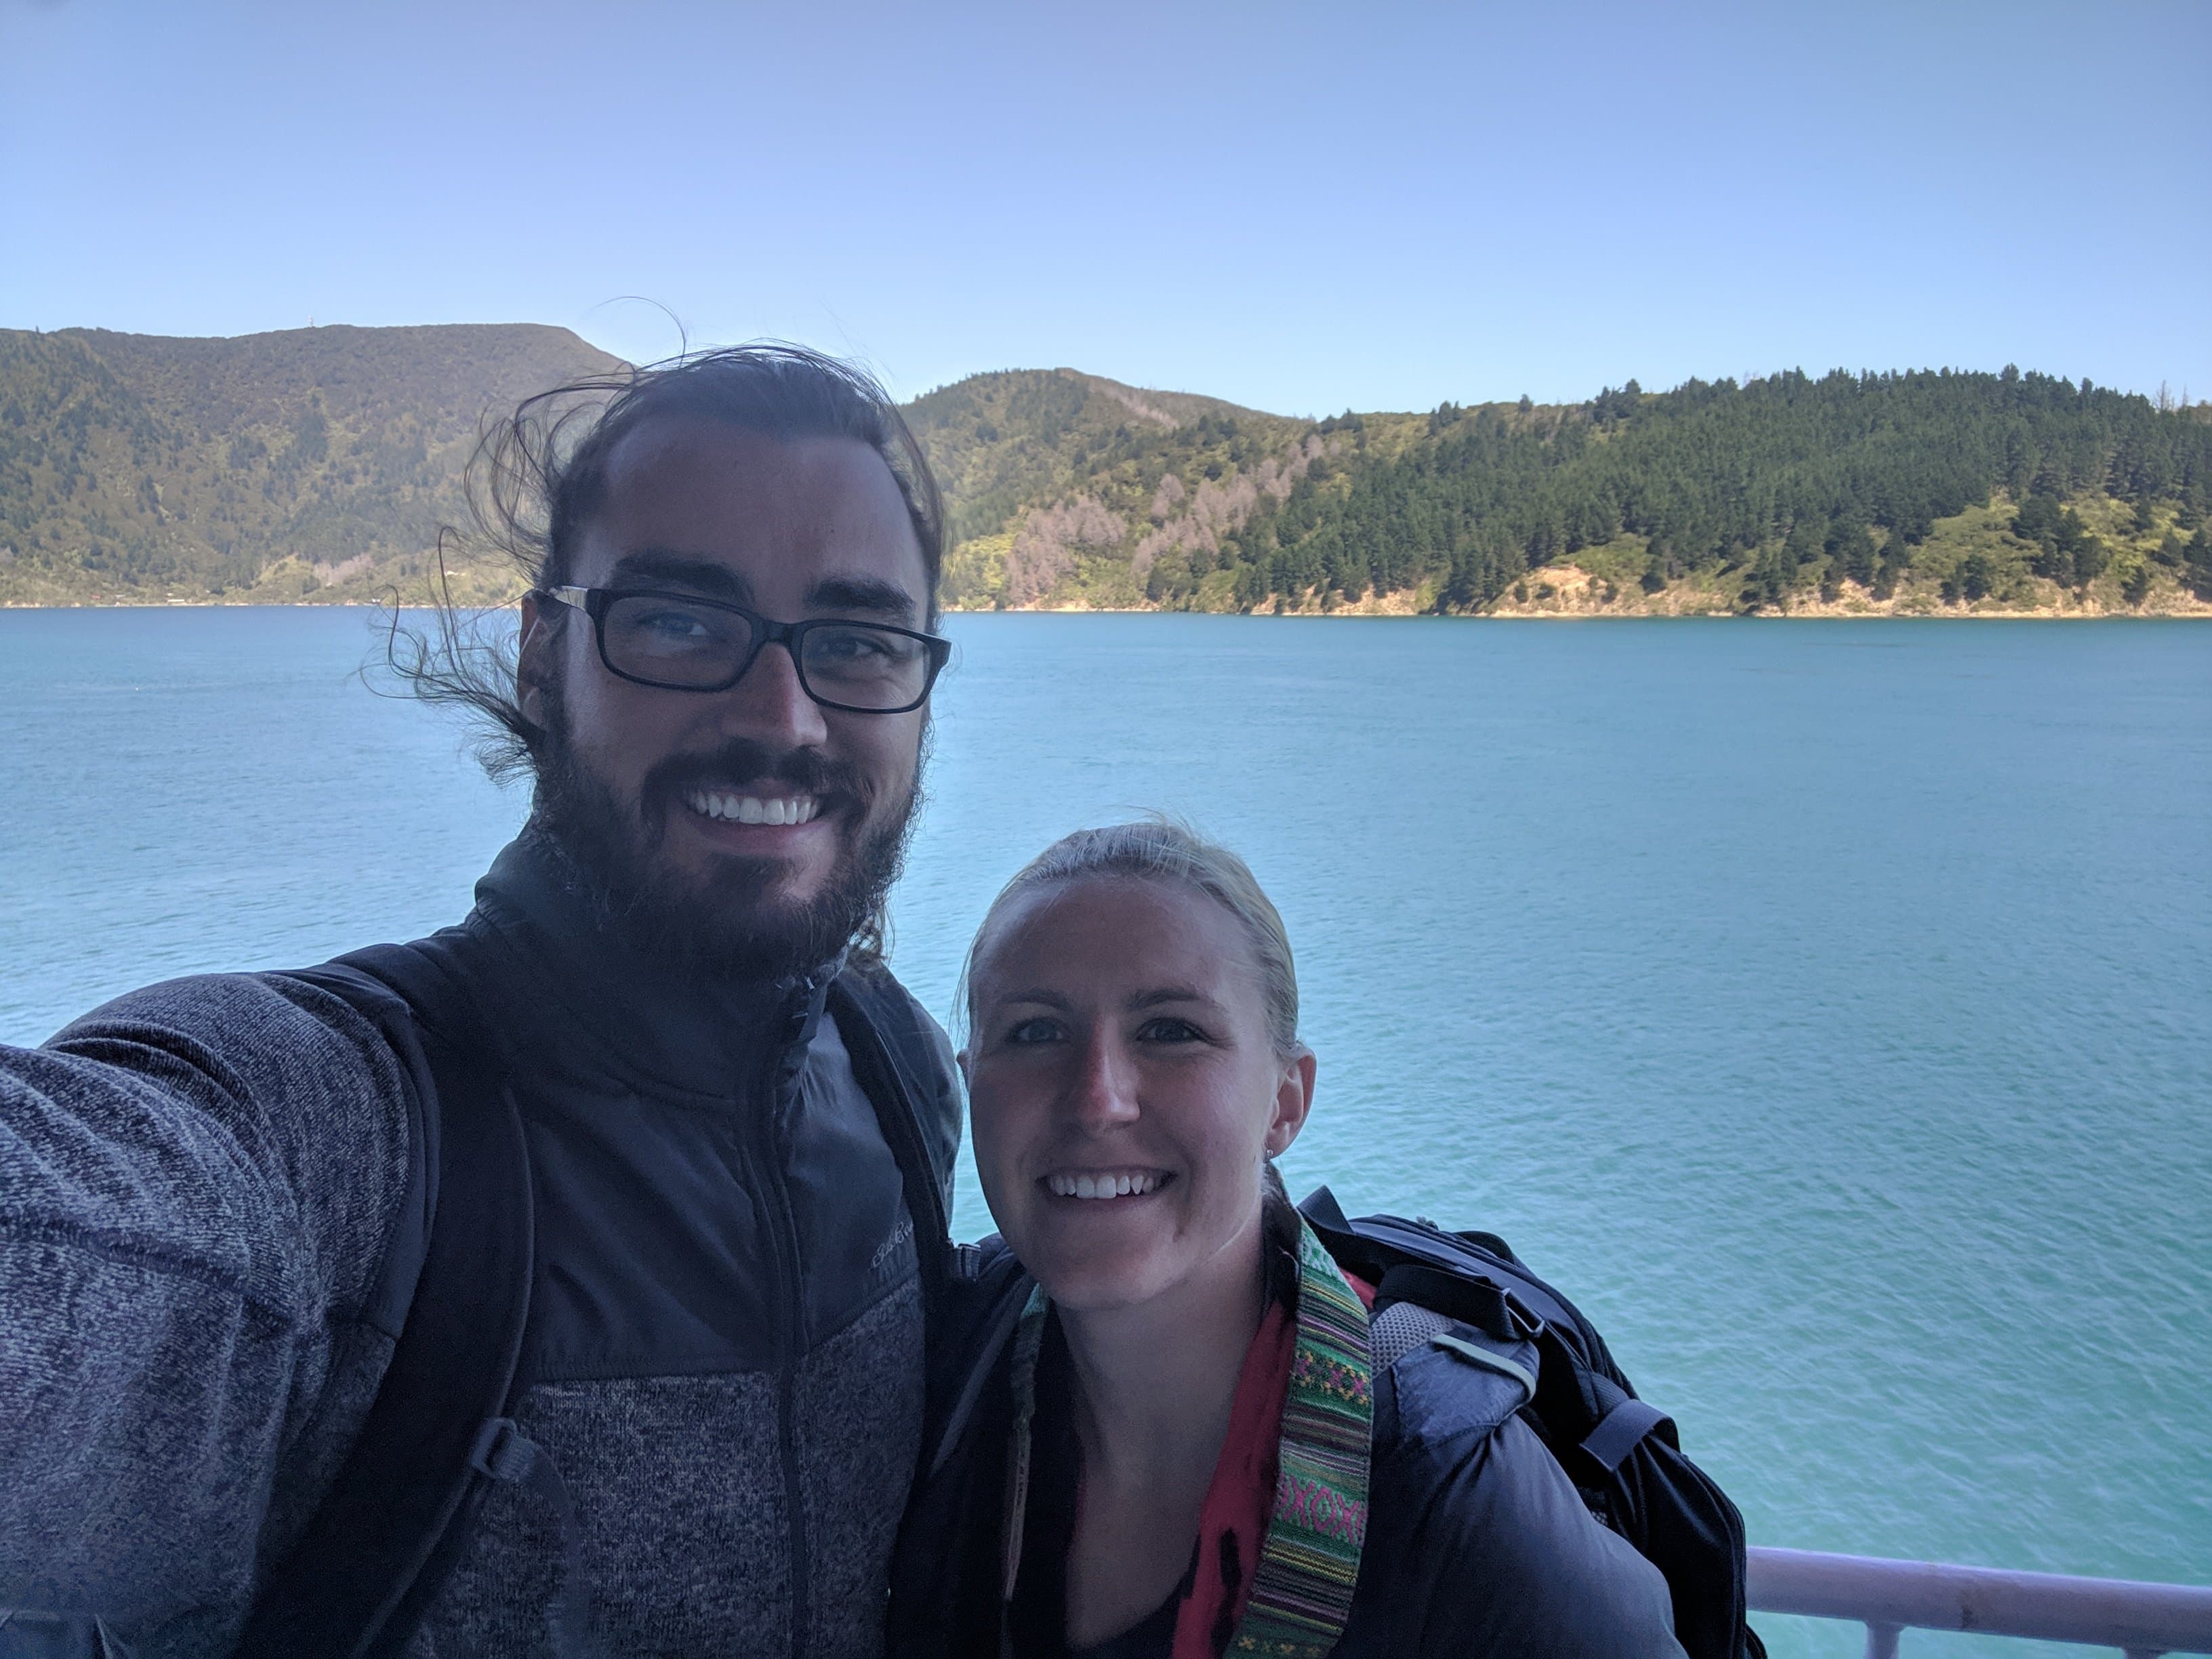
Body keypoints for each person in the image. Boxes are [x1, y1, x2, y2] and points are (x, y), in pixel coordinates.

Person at [0, 346, 964, 1657]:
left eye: (855, 640)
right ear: (541, 657)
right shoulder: (341, 1136)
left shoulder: (895, 1066)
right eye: (682, 620)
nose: (781, 715)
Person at [888, 821, 1688, 1657]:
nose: (1098, 1099)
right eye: (1035, 1031)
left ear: (1285, 1103)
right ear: (969, 1080)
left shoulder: (1455, 1504)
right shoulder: (946, 1366)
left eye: (1170, 1030)